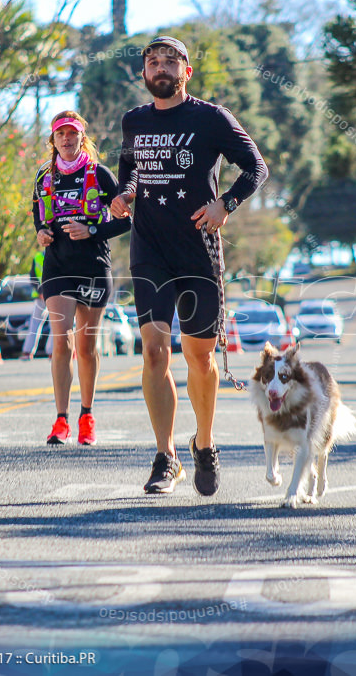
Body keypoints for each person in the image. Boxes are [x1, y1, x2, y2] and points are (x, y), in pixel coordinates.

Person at [111, 36, 268, 495]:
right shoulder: (134, 121)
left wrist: (226, 204)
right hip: (149, 250)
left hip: (199, 250)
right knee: (154, 352)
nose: (161, 68)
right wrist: (124, 194)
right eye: (153, 62)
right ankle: (166, 456)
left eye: (170, 62)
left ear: (186, 72)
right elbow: (130, 168)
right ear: (144, 74)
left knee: (199, 358)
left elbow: (255, 167)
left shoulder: (211, 118)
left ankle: (204, 442)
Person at [33, 111, 130, 446]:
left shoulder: (100, 175)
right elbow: (38, 219)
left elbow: (126, 220)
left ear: (81, 137)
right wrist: (41, 234)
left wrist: (91, 230)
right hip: (57, 266)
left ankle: (86, 415)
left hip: (92, 265)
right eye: (60, 134)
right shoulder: (43, 177)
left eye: (72, 134)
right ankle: (60, 420)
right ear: (53, 140)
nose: (66, 139)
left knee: (86, 347)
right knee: (62, 342)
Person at [19, 249, 47, 361]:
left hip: (51, 295)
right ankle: (28, 351)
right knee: (36, 323)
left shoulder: (39, 257)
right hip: (44, 296)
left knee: (56, 325)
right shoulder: (38, 257)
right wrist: (41, 292)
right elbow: (33, 277)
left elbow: (33, 278)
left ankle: (52, 352)